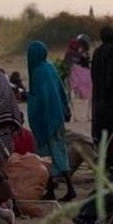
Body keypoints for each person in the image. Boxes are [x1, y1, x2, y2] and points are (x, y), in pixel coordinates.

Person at [26, 41, 76, 201]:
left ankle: (59, 189)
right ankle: (59, 189)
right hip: (57, 117)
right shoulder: (50, 68)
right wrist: (65, 108)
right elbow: (60, 90)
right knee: (59, 151)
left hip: (46, 120)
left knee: (48, 154)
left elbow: (39, 99)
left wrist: (27, 97)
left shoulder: (38, 73)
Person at [64, 35, 92, 107]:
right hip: (78, 78)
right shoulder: (80, 55)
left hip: (70, 75)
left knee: (69, 91)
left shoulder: (70, 53)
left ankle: (69, 105)